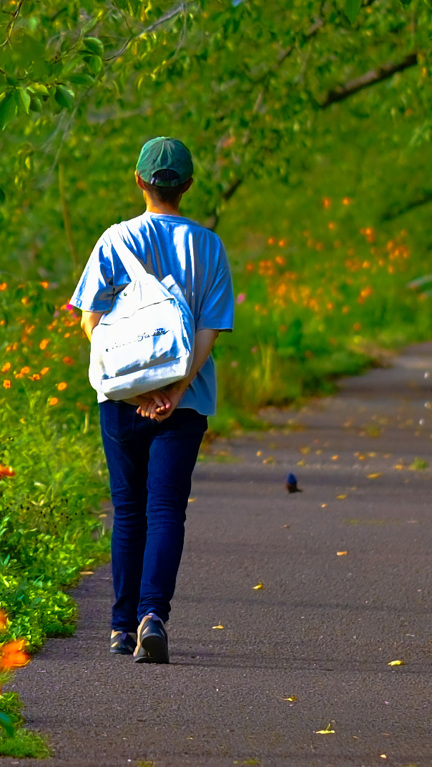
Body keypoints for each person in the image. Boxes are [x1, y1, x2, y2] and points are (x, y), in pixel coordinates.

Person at [70, 137, 234, 664]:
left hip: (121, 400)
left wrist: (138, 385)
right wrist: (174, 390)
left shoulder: (115, 240)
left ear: (139, 181)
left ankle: (120, 627)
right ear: (187, 186)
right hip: (184, 405)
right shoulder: (209, 246)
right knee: (166, 509)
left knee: (128, 509)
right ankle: (151, 616)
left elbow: (90, 318)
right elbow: (210, 329)